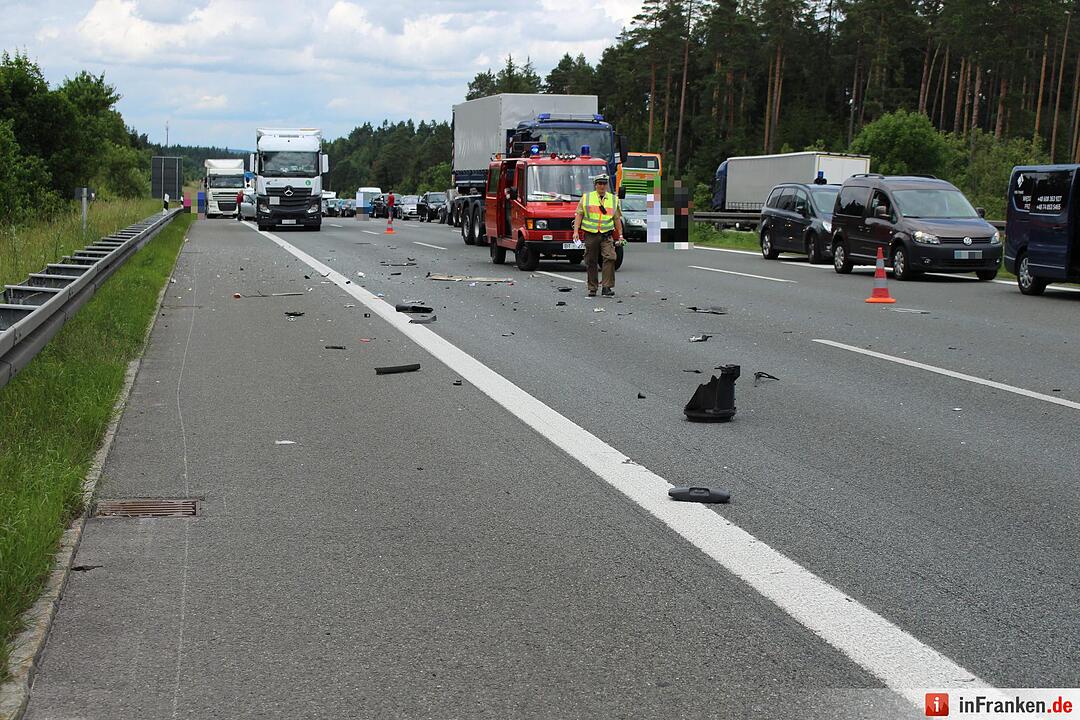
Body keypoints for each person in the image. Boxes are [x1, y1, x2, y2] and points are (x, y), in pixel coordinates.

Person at [572, 173, 622, 297]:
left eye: (604, 183)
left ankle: (606, 287)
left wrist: (620, 235)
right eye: (600, 183)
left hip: (606, 234)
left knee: (610, 257)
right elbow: (579, 214)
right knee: (591, 260)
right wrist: (576, 232)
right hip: (591, 234)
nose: (602, 186)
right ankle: (592, 287)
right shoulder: (587, 198)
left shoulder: (613, 199)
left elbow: (617, 219)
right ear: (595, 185)